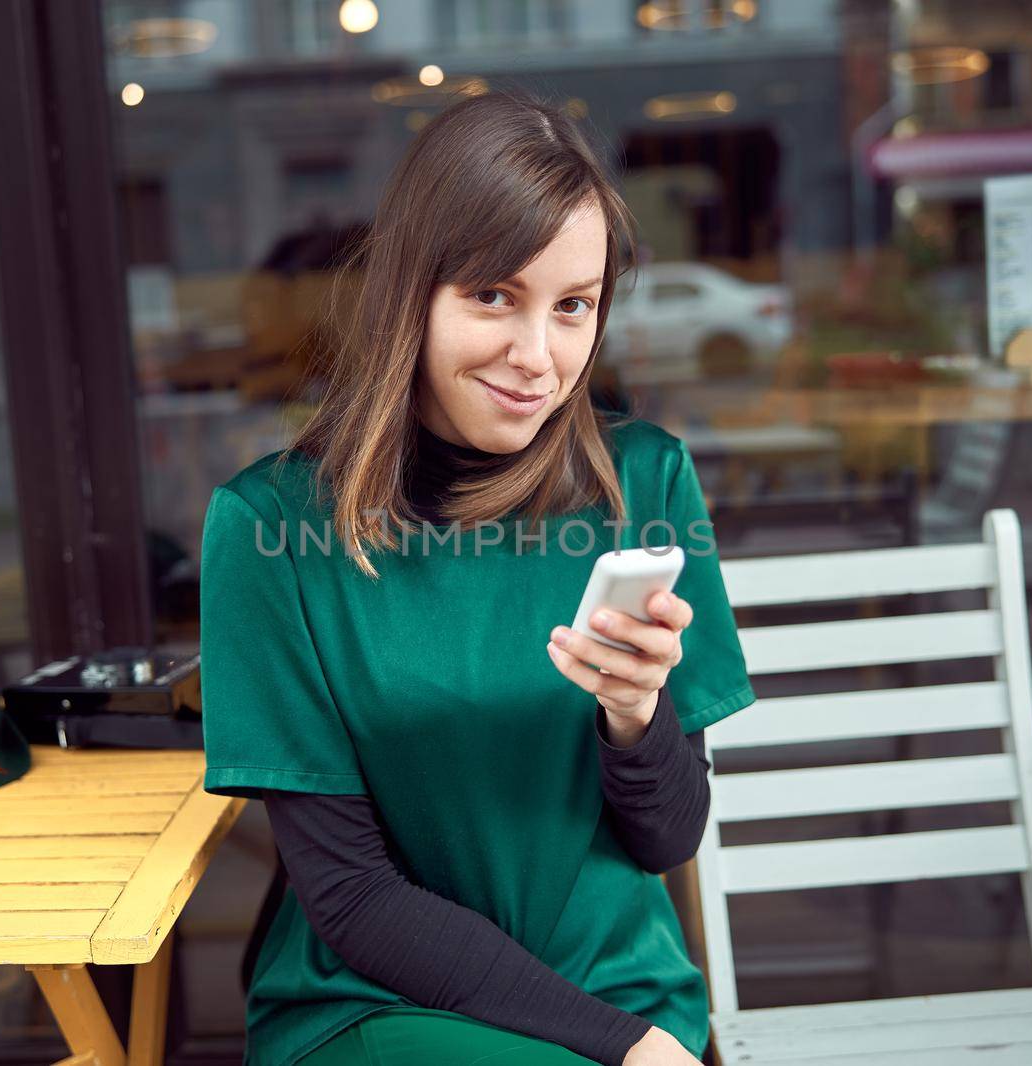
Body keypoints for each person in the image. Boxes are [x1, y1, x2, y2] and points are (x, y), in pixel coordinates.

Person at [201, 89, 756, 1066]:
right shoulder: (268, 530)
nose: (536, 358)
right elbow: (349, 897)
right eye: (494, 295)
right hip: (376, 1005)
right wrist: (621, 1049)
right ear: (410, 289)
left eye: (572, 306)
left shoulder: (644, 482)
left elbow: (668, 836)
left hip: (621, 986)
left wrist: (636, 717)